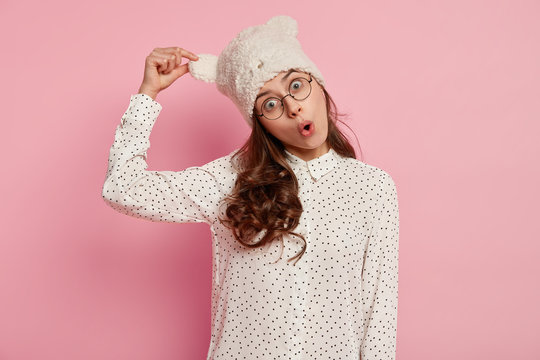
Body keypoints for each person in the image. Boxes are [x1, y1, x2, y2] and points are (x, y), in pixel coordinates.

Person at [102, 15, 400, 360]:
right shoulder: (230, 179)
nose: (293, 106)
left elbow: (379, 316)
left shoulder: (373, 188)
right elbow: (122, 189)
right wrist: (147, 95)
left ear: (318, 84)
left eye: (297, 85)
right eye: (270, 104)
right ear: (259, 122)